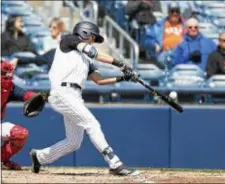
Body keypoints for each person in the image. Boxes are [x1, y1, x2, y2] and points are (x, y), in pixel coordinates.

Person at [29, 21, 140, 176]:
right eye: (93, 37)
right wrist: (121, 64)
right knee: (92, 124)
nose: (93, 41)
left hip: (74, 96)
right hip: (62, 92)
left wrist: (123, 78)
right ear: (85, 32)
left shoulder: (86, 59)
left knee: (73, 143)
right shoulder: (69, 40)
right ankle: (115, 163)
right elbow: (95, 53)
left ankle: (39, 157)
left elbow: (99, 80)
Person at [1, 60, 45, 170]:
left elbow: (25, 94)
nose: (5, 77)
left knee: (20, 134)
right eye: (3, 73)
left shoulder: (9, 88)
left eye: (7, 74)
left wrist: (38, 97)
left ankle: (2, 160)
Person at [143, 2, 185, 67]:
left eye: (177, 11)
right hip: (165, 53)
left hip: (181, 53)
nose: (175, 13)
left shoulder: (186, 26)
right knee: (162, 60)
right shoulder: (158, 25)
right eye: (172, 11)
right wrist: (154, 44)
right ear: (168, 12)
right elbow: (146, 40)